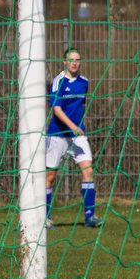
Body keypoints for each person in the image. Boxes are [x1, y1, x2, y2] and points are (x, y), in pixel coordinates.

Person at [46, 48, 102, 228]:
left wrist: (79, 127)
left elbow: (81, 107)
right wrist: (72, 126)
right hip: (58, 135)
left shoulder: (84, 82)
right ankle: (45, 217)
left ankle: (89, 216)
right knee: (50, 176)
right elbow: (57, 110)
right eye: (71, 60)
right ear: (64, 62)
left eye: (78, 59)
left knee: (88, 171)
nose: (75, 63)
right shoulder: (57, 82)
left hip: (78, 136)